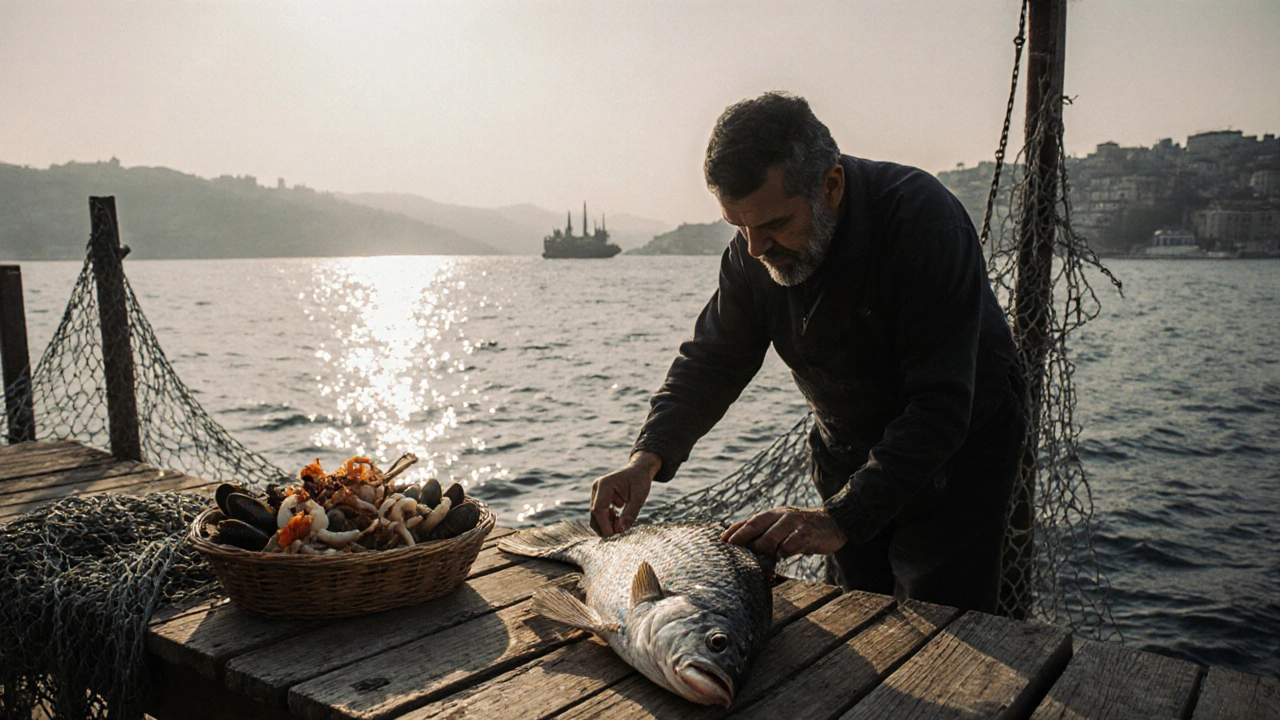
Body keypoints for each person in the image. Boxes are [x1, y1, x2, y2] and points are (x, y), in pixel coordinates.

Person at [588, 91, 1025, 613]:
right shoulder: (752, 255)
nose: (755, 248)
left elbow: (941, 406)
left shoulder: (925, 224)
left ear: (832, 185)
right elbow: (712, 361)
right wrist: (647, 458)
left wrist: (838, 519)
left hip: (959, 458)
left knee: (945, 626)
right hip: (846, 450)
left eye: (772, 225)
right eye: (739, 228)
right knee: (857, 610)